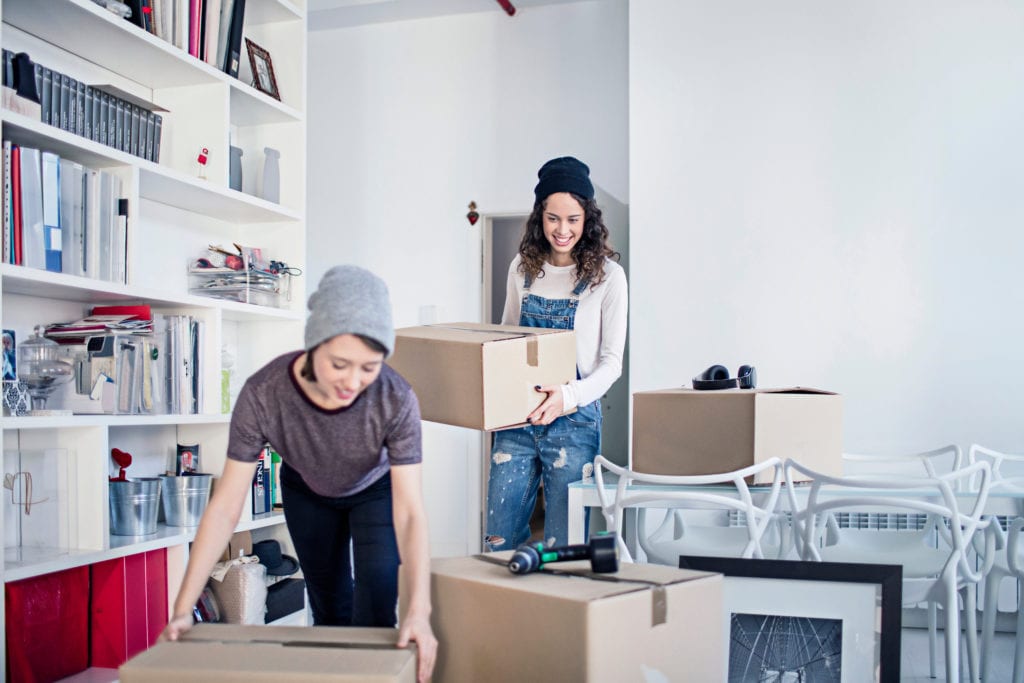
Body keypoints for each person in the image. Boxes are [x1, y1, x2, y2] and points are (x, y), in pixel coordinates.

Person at [161, 265, 437, 682]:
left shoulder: (395, 398)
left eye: (369, 367)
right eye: (340, 364)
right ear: (314, 344)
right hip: (307, 490)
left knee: (378, 606)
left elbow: (412, 513)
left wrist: (420, 611)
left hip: (375, 491)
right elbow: (226, 506)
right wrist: (183, 608)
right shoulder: (265, 392)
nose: (353, 381)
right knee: (329, 608)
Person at [485, 156, 628, 551]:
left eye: (573, 219)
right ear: (539, 217)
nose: (562, 230)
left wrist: (568, 396)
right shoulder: (521, 269)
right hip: (516, 418)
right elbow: (507, 343)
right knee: (498, 540)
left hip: (574, 419)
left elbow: (611, 363)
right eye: (552, 218)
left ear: (588, 219)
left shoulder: (608, 277)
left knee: (563, 548)